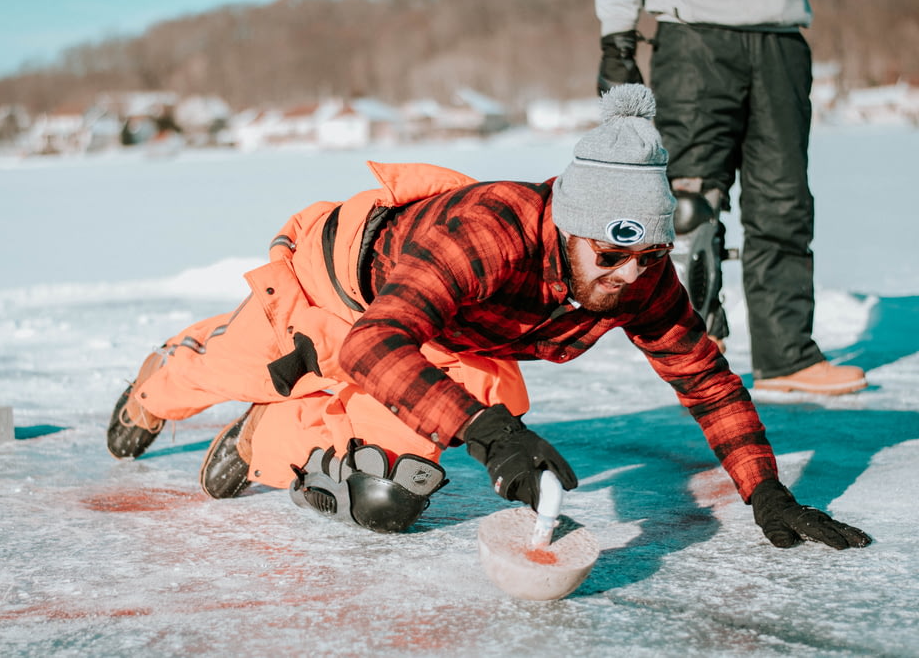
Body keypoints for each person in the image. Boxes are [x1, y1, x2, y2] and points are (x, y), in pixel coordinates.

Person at [106, 84, 870, 549]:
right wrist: (487, 431)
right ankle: (159, 383)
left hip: (448, 338)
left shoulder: (639, 274)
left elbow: (705, 381)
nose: (627, 278)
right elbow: (376, 339)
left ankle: (265, 433)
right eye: (609, 256)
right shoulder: (492, 229)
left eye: (646, 257)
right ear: (570, 227)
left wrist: (765, 489)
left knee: (386, 495)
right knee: (240, 368)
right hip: (332, 291)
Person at [594, 0, 867, 395]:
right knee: (690, 204)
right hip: (693, 36)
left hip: (780, 34)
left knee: (784, 201)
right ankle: (694, 349)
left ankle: (786, 355)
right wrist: (618, 37)